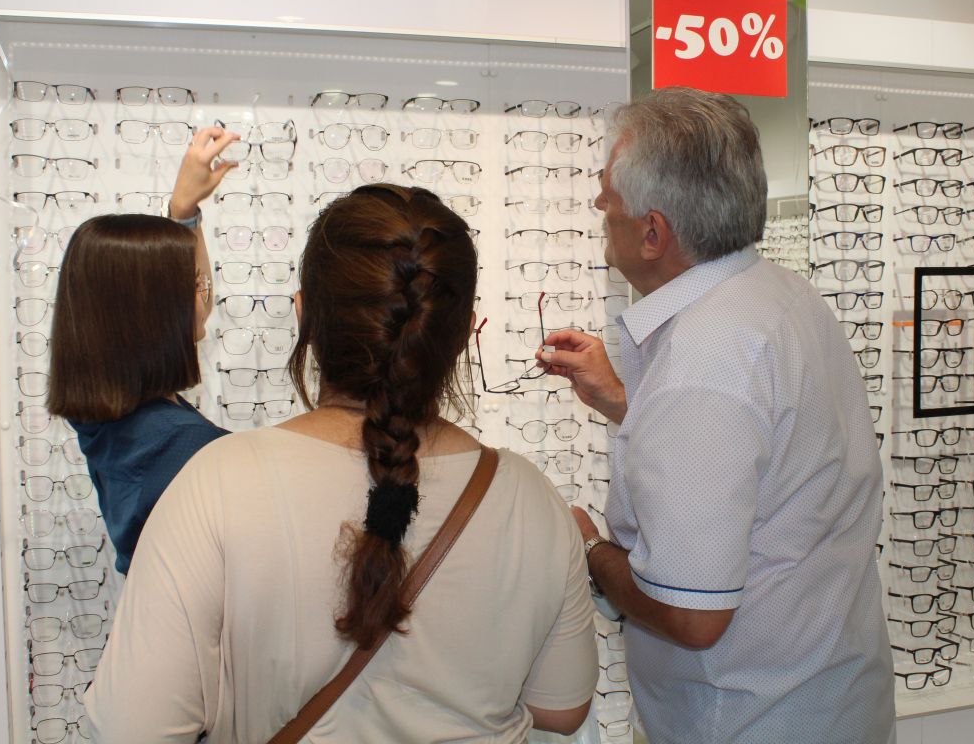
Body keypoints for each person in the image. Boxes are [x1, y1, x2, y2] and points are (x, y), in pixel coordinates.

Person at [85, 184, 597, 742]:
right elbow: (561, 708)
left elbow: (134, 729)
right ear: (462, 332)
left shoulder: (215, 482)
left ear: (304, 314)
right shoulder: (531, 498)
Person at [538, 87, 895, 743]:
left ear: (653, 233)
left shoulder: (705, 356)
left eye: (608, 200)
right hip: (829, 700)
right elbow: (755, 454)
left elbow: (691, 616)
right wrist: (623, 401)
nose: (598, 209)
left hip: (748, 719)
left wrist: (588, 548)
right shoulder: (781, 296)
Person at [47, 127, 241, 573]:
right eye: (191, 285)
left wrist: (184, 212)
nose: (205, 294)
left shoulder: (104, 418)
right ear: (152, 315)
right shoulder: (183, 445)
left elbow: (198, 299)